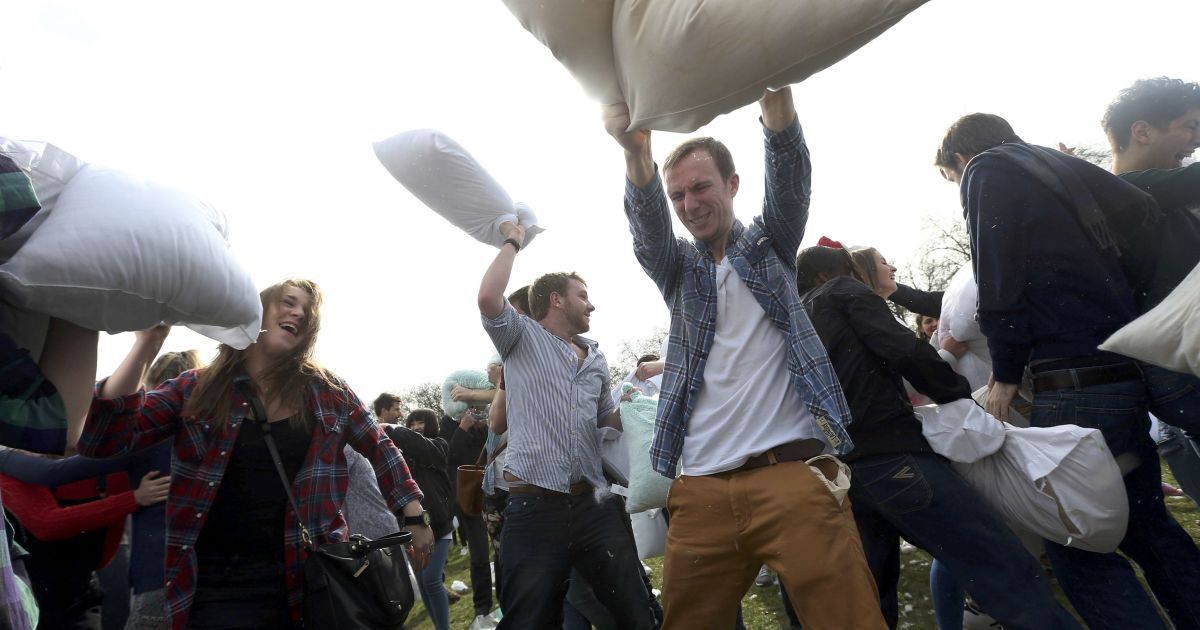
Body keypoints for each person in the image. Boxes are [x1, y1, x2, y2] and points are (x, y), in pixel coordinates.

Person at [604, 86, 884, 628]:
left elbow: (789, 179)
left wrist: (771, 86)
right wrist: (635, 153)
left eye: (701, 187)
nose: (690, 204)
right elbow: (647, 230)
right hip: (701, 491)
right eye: (679, 194)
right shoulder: (679, 274)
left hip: (793, 478)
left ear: (732, 185)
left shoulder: (770, 246)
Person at [935, 113, 1200, 628]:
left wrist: (1006, 375)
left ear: (960, 159)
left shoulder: (988, 169)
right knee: (1149, 529)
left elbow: (999, 277)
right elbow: (1142, 215)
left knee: (1078, 547)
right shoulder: (1063, 169)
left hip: (1072, 382)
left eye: (952, 178)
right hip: (1124, 373)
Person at [76, 279, 433, 629]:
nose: (299, 312)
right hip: (218, 588)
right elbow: (102, 440)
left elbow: (380, 446)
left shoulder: (327, 390)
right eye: (288, 302)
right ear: (255, 312)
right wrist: (147, 345)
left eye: (308, 311)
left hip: (312, 580)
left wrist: (414, 514)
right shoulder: (196, 388)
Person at [795, 245, 1078, 629]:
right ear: (828, 276)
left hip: (841, 471)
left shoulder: (794, 317)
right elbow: (903, 350)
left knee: (871, 598)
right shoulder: (843, 292)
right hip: (890, 452)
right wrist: (957, 393)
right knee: (1001, 565)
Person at [477, 230, 656, 629]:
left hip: (595, 505)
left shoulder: (596, 357)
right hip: (535, 507)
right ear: (556, 299)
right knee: (530, 619)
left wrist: (633, 406)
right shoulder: (521, 338)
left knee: (636, 612)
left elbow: (604, 421)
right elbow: (489, 299)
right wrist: (512, 242)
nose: (592, 305)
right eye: (583, 295)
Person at [386, 409, 454, 630]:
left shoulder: (438, 445)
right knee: (424, 585)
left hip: (440, 526)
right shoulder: (402, 453)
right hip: (413, 529)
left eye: (420, 423)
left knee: (432, 580)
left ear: (431, 423)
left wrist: (389, 429)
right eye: (412, 423)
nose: (416, 427)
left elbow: (420, 445)